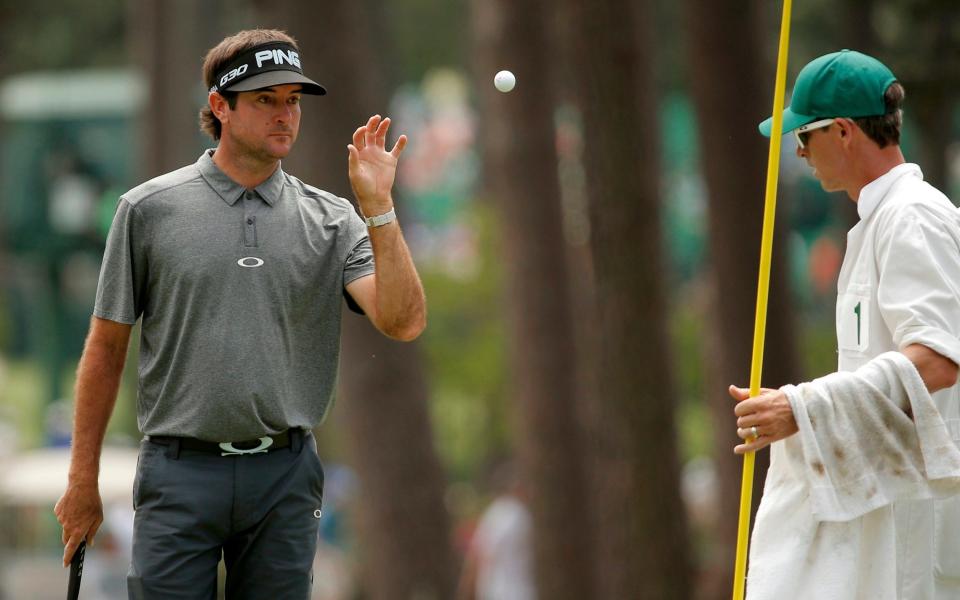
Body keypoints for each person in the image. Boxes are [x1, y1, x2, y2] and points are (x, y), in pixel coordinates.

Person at [54, 28, 426, 599]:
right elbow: (106, 350)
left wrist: (378, 209)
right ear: (220, 107)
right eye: (264, 100)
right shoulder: (148, 210)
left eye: (293, 101)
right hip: (179, 472)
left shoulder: (332, 220)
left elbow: (402, 322)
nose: (284, 116)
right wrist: (83, 479)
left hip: (285, 474)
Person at [730, 49, 960, 599]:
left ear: (843, 131)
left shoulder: (911, 217)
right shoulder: (881, 220)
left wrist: (803, 407)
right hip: (894, 527)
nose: (800, 151)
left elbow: (938, 358)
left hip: (925, 533)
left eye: (803, 135)